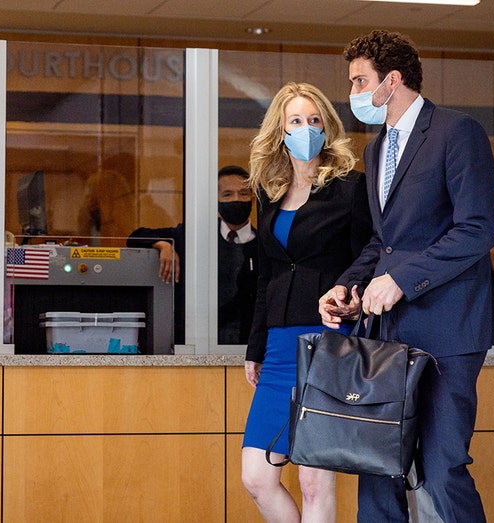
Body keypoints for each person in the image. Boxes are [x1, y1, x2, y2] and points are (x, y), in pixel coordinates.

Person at [317, 30, 494, 522]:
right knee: (377, 464)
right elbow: (385, 243)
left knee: (442, 464)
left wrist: (401, 280)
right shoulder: (376, 149)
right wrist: (347, 286)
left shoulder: (456, 131)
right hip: (388, 333)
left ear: (393, 80)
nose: (354, 91)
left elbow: (476, 229)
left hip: (448, 327)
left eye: (361, 80)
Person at [241, 82, 373, 522]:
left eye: (315, 120)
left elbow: (364, 262)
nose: (307, 128)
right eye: (296, 121)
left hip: (327, 342)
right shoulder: (269, 193)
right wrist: (254, 348)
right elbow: (267, 276)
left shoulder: (351, 189)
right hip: (278, 349)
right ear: (280, 130)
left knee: (316, 481)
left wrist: (351, 304)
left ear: (328, 127)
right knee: (257, 478)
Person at [126, 165, 259, 345]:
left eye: (243, 194)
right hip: (199, 343)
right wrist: (164, 245)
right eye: (228, 194)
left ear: (252, 199)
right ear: (216, 200)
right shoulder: (194, 236)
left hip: (250, 344)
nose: (236, 199)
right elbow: (135, 237)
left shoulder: (265, 243)